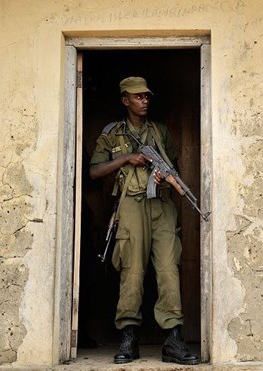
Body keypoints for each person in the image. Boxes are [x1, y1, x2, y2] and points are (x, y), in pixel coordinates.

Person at [89, 76, 199, 365]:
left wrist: (164, 174)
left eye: (147, 96)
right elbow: (95, 172)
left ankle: (173, 339)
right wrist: (126, 158)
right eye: (138, 97)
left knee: (168, 270)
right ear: (125, 100)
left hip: (161, 205)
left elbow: (172, 164)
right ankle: (129, 337)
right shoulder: (112, 135)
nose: (144, 100)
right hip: (130, 206)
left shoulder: (159, 131)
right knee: (132, 271)